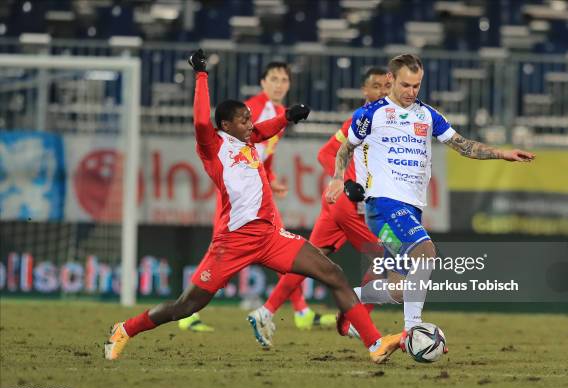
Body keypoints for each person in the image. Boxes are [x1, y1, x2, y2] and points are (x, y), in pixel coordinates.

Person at [105, 49, 401, 364]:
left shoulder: (248, 141)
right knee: (186, 306)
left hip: (270, 236)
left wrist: (287, 116)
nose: (250, 124)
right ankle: (125, 328)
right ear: (225, 125)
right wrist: (201, 75)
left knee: (334, 274)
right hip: (232, 241)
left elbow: (265, 129)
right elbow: (200, 119)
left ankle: (375, 344)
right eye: (244, 119)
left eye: (250, 118)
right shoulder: (211, 147)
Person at [326, 53, 535, 349]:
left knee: (400, 290)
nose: (412, 92)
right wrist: (337, 178)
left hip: (409, 209)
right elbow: (345, 150)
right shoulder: (371, 115)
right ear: (390, 81)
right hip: (383, 206)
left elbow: (463, 146)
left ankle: (352, 299)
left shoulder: (427, 116)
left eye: (417, 85)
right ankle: (414, 330)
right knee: (425, 251)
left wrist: (502, 153)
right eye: (406, 85)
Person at [178, 61, 334, 333]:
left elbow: (260, 152)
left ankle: (301, 311)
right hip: (237, 196)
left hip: (256, 191)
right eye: (273, 78)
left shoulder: (275, 113)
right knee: (223, 249)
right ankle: (187, 310)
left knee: (278, 242)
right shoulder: (253, 109)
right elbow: (249, 140)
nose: (279, 84)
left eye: (284, 79)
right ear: (262, 83)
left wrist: (269, 179)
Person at [248, 67, 400, 345]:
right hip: (350, 204)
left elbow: (328, 152)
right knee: (389, 257)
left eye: (387, 87)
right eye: (376, 87)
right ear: (365, 91)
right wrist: (344, 180)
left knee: (310, 260)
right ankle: (357, 317)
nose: (383, 92)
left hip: (341, 203)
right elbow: (326, 154)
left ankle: (265, 312)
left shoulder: (383, 120)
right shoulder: (363, 120)